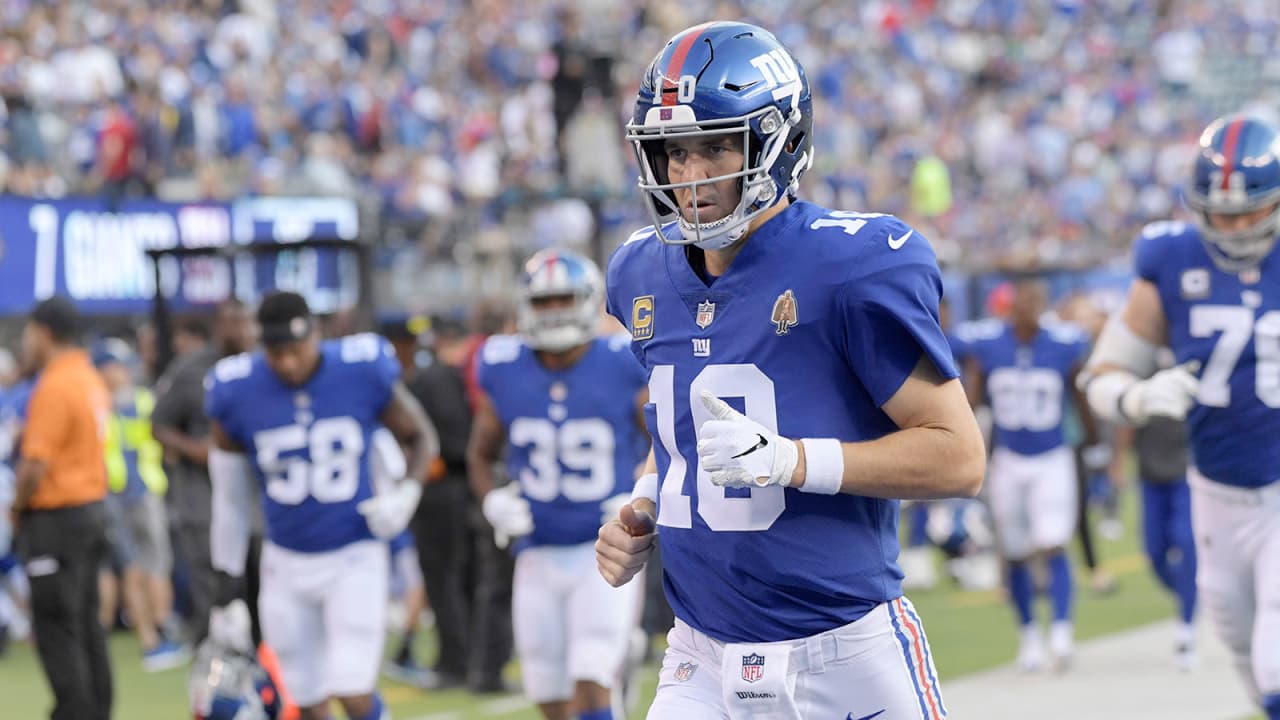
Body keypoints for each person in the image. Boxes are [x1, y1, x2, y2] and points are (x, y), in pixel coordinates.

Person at [597, 22, 985, 719]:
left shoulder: (851, 263)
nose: (692, 177)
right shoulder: (639, 271)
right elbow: (686, 441)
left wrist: (792, 460)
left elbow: (958, 459)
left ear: (779, 139)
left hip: (843, 650)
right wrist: (645, 504)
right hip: (701, 656)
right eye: (674, 153)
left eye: (716, 146)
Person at [1080, 113, 1280, 718]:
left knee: (1277, 660)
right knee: (1246, 653)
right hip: (1215, 490)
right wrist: (1135, 400)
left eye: (1250, 212)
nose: (1236, 228)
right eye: (1222, 214)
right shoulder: (1170, 258)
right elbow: (1101, 376)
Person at [204, 291, 438, 720]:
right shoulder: (235, 390)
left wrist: (407, 493)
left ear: (316, 334)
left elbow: (420, 434)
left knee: (352, 689)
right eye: (277, 353)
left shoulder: (360, 368)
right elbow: (231, 500)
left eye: (297, 349)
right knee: (306, 700)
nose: (289, 363)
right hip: (284, 560)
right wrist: (227, 586)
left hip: (353, 552)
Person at [469, 248, 649, 720]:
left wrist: (638, 492)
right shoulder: (503, 365)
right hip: (535, 549)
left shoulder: (622, 360)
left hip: (604, 548)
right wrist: (491, 500)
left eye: (563, 299)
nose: (554, 311)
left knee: (590, 680)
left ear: (588, 301)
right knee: (548, 694)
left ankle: (616, 667)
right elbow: (480, 453)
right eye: (544, 301)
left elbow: (666, 443)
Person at [959, 278, 1101, 671]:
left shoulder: (1063, 344)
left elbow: (1079, 393)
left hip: (1052, 455)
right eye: (1023, 301)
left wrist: (1093, 443)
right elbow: (971, 397)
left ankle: (1061, 631)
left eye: (1035, 301)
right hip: (1008, 459)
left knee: (1054, 543)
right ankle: (1029, 637)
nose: (1028, 308)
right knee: (1017, 553)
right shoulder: (988, 346)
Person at [10, 296, 114, 720]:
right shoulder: (89, 376)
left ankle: (74, 712)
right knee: (88, 626)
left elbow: (35, 464)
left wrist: (16, 508)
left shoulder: (55, 384)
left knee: (57, 626)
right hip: (91, 510)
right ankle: (96, 710)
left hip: (57, 519)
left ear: (44, 331)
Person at [152, 299, 257, 644]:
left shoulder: (263, 367)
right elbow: (158, 424)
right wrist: (192, 449)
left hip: (254, 499)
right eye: (232, 323)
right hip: (203, 495)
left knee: (257, 584)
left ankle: (264, 663)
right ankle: (214, 666)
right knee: (212, 586)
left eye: (246, 323)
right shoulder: (191, 369)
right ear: (218, 327)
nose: (240, 331)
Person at [94, 339, 188, 671]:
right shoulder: (100, 403)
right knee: (133, 567)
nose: (121, 372)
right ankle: (151, 637)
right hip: (118, 494)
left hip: (140, 491)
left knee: (151, 564)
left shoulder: (137, 399)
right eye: (115, 366)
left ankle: (158, 632)